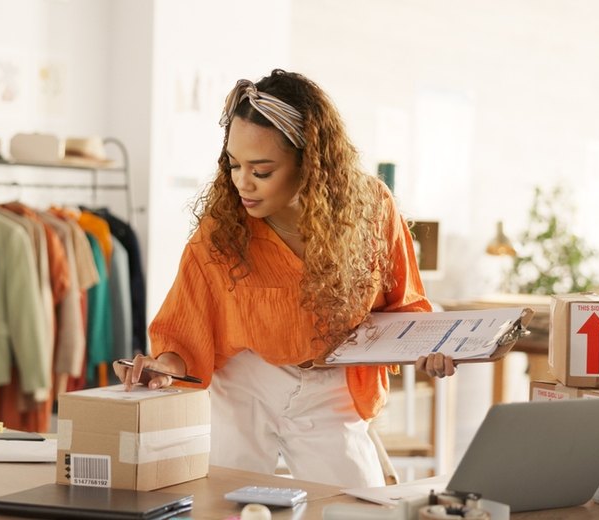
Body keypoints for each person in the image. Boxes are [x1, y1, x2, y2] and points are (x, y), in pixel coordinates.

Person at [114, 69, 455, 488]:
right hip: (245, 384)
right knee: (227, 506)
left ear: (310, 161)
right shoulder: (222, 228)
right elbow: (185, 331)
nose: (242, 182)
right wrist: (161, 367)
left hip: (331, 383)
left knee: (356, 507)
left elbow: (404, 305)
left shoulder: (372, 209)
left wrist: (431, 347)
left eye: (261, 170)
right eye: (234, 164)